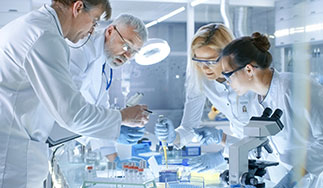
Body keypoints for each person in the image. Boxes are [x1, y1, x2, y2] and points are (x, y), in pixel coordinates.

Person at [0, 0, 148, 187]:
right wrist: (121, 119)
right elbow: (72, 113)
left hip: (18, 152)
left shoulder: (37, 28)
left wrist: (114, 132)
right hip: (11, 158)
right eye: (94, 21)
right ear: (78, 8)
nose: (94, 30)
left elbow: (90, 109)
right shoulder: (45, 37)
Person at [220, 32, 323, 188]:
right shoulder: (256, 101)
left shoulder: (296, 88)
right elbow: (267, 148)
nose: (227, 82)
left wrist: (292, 178)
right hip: (304, 174)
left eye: (228, 75)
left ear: (248, 70)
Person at [155, 23, 261, 172]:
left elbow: (266, 140)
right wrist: (173, 137)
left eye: (211, 61)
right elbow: (188, 128)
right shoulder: (200, 79)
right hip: (238, 152)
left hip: (271, 157)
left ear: (229, 55)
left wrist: (222, 156)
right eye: (199, 61)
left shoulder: (250, 78)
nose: (204, 68)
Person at [68, 13, 148, 164]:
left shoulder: (105, 65)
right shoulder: (81, 48)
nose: (127, 55)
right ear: (110, 31)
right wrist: (118, 122)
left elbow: (100, 109)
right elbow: (69, 111)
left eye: (134, 52)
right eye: (126, 46)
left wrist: (115, 160)